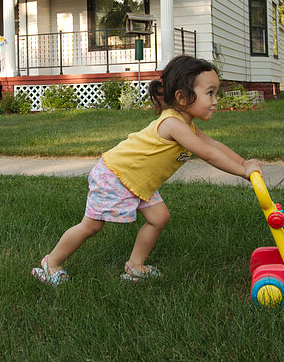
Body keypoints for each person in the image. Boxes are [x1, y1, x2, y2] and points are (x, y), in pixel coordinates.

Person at [31, 55, 263, 286]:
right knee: (92, 225)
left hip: (138, 181)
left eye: (216, 93)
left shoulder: (186, 124)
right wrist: (242, 172)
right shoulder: (173, 124)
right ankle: (51, 263)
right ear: (182, 98)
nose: (215, 101)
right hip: (116, 175)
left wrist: (244, 163)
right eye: (210, 93)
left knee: (159, 218)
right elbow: (208, 154)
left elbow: (214, 145)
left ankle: (135, 266)